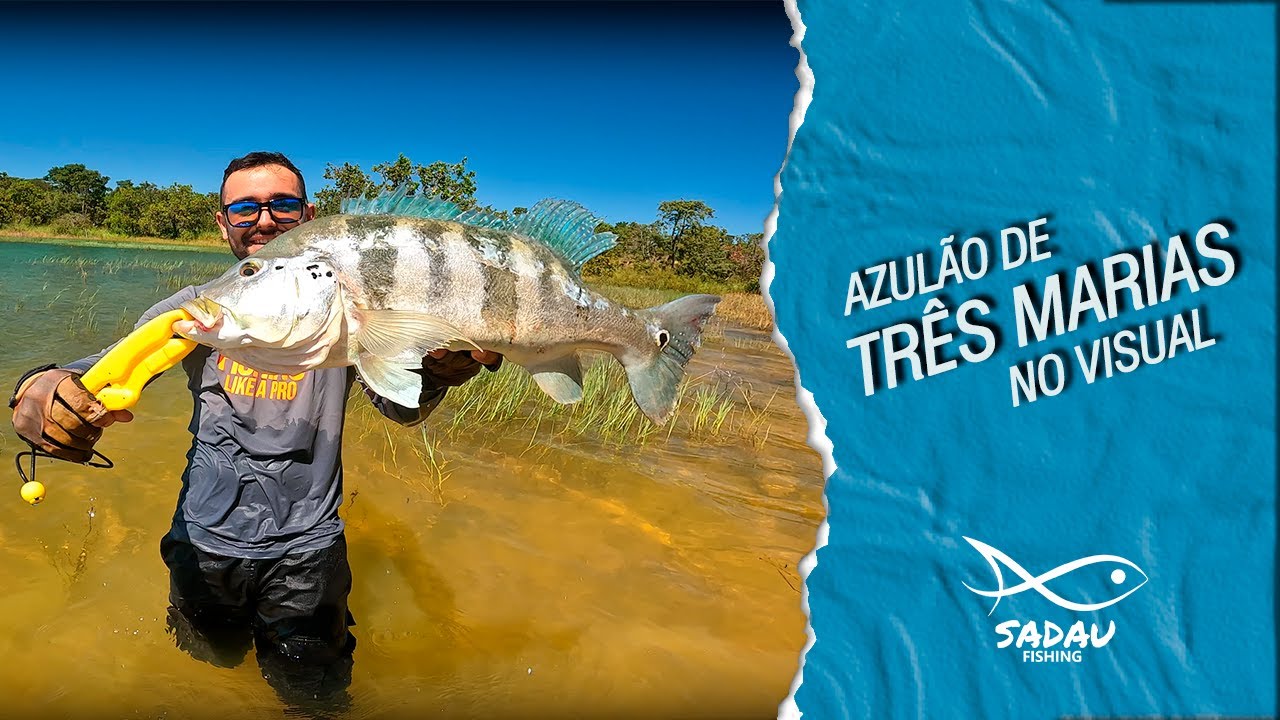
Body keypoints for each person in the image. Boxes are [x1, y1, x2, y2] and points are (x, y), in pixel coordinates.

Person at [8, 151, 500, 711]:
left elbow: (401, 411)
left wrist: (435, 373)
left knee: (313, 695)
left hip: (308, 551)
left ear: (309, 215)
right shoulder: (201, 309)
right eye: (244, 209)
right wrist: (38, 385)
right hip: (203, 540)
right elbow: (105, 367)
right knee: (203, 673)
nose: (264, 221)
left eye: (282, 205)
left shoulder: (355, 304)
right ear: (223, 222)